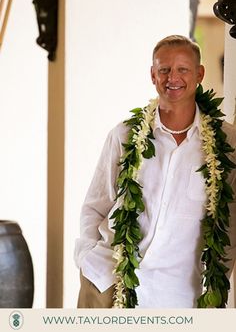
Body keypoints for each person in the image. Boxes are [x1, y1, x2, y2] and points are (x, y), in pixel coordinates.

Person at [74, 35, 236, 308]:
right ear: (153, 75)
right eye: (164, 69)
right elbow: (95, 206)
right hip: (108, 285)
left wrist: (216, 288)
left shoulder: (226, 143)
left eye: (183, 69)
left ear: (199, 74)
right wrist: (89, 259)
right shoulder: (124, 135)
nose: (173, 77)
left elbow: (229, 224)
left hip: (180, 297)